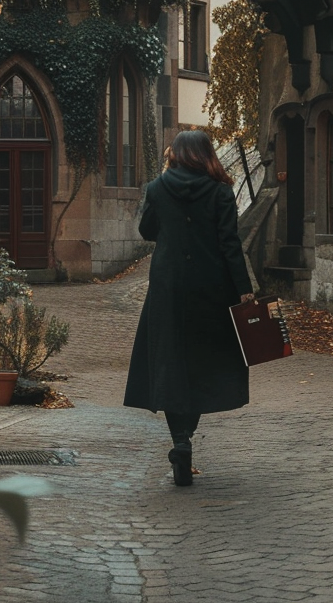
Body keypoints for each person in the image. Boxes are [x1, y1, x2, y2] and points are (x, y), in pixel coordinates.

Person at [123, 129, 255, 486]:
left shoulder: (157, 188)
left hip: (168, 288)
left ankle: (180, 441)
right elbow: (230, 244)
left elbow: (147, 231)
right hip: (211, 287)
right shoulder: (221, 190)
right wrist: (244, 290)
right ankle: (187, 437)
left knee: (169, 362)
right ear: (206, 153)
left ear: (177, 154)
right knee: (201, 365)